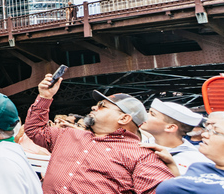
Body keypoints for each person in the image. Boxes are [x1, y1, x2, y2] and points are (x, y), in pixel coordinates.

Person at [24, 73, 174, 194]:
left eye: (102, 106)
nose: (94, 108)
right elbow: (35, 130)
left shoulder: (141, 155)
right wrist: (45, 96)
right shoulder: (68, 135)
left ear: (124, 118)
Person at [152, 111, 224, 193]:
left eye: (216, 132)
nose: (204, 135)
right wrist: (172, 167)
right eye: (209, 130)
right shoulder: (199, 167)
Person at [139, 99, 210, 174]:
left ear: (170, 127)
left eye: (152, 114)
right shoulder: (141, 143)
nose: (145, 115)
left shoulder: (194, 160)